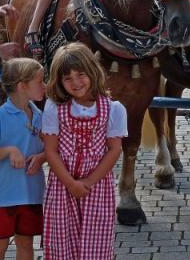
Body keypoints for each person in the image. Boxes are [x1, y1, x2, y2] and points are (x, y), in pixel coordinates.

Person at [41, 42, 126, 259]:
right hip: (63, 184)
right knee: (62, 241)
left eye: (80, 75)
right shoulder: (54, 107)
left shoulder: (113, 109)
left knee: (96, 242)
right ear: (59, 81)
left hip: (97, 185)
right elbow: (51, 151)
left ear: (92, 71)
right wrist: (71, 183)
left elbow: (114, 150)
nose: (75, 82)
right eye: (67, 78)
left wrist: (87, 183)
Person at [0, 58, 47, 260]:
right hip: (3, 196)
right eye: (40, 81)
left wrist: (42, 157)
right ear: (22, 86)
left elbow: (50, 149)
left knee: (26, 245)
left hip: (32, 194)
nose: (45, 85)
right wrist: (10, 150)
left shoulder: (39, 115)